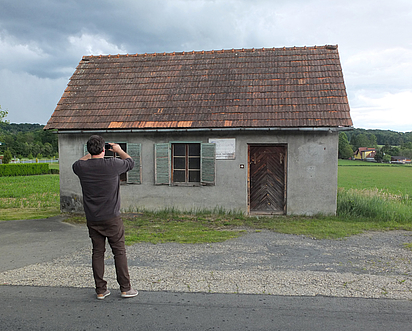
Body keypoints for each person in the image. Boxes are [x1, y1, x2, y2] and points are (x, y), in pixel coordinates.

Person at [72, 135, 138, 300]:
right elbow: (130, 162)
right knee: (119, 252)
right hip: (112, 217)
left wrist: (91, 152)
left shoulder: (81, 167)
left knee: (97, 252)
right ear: (104, 149)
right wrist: (118, 150)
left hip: (92, 218)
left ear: (89, 150)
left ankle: (101, 290)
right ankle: (125, 288)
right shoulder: (113, 164)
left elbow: (78, 162)